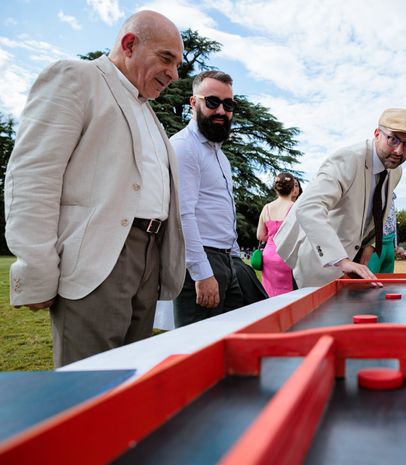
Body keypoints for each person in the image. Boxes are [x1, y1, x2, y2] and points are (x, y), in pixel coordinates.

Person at [3, 11, 185, 367]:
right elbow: (33, 174)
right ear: (129, 44)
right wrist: (37, 266)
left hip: (150, 257)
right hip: (99, 260)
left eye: (177, 64)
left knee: (128, 382)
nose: (174, 75)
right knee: (88, 388)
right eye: (166, 59)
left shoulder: (148, 113)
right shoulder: (76, 77)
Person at [275, 108, 406, 287]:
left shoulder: (395, 172)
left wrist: (365, 252)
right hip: (316, 265)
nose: (399, 151)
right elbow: (308, 207)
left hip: (351, 268)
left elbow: (374, 214)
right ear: (377, 134)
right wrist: (342, 261)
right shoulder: (348, 159)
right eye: (393, 139)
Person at [172, 70, 245, 327]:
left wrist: (234, 256)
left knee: (233, 339)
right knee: (198, 349)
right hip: (201, 260)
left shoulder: (219, 155)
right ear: (194, 103)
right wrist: (202, 273)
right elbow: (183, 214)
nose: (221, 111)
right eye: (212, 102)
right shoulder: (184, 147)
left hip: (227, 260)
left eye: (228, 105)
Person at [257, 173, 299, 296]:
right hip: (288, 256)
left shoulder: (267, 208)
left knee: (269, 295)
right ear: (292, 189)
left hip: (269, 257)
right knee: (289, 296)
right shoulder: (295, 207)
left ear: (276, 189)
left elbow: (260, 236)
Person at [368, 192, 398, 273]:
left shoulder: (391, 193)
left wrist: (394, 244)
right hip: (374, 243)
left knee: (387, 282)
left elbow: (393, 220)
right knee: (369, 280)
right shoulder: (369, 189)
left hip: (389, 243)